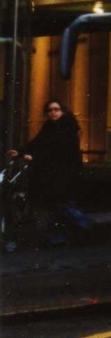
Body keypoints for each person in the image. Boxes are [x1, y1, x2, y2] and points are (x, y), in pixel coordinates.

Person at [6, 100, 90, 247]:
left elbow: (58, 150)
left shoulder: (68, 127)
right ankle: (61, 236)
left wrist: (35, 157)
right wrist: (21, 151)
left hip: (65, 173)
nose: (53, 113)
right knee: (56, 205)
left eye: (56, 109)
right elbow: (37, 142)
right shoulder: (49, 127)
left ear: (62, 111)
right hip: (52, 174)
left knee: (62, 204)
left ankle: (82, 225)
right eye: (50, 110)